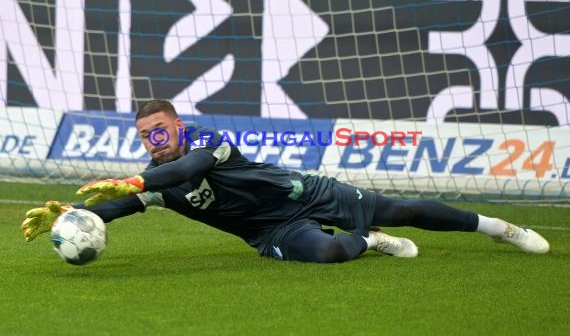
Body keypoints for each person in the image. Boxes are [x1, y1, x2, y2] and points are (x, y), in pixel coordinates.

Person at [21, 100, 550, 263]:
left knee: (402, 208)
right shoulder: (154, 178)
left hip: (309, 192)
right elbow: (124, 206)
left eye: (160, 131)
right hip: (271, 230)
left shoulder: (207, 143)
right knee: (327, 256)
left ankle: (497, 227)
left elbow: (187, 171)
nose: (154, 141)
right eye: (145, 136)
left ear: (177, 126)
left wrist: (136, 181)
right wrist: (71, 216)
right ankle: (371, 243)